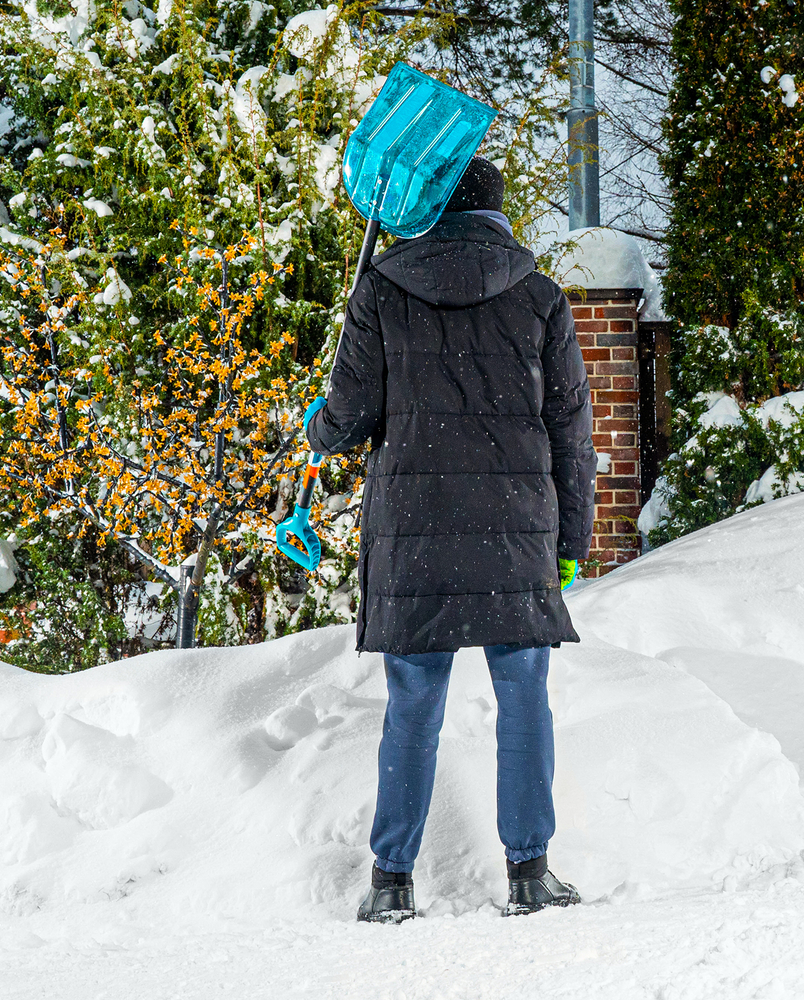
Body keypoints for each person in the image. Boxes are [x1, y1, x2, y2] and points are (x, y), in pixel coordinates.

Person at [305, 156, 596, 922]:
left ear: (430, 207)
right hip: (517, 528)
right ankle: (530, 875)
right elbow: (572, 429)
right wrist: (573, 539)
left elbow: (349, 418)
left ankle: (391, 882)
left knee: (413, 705)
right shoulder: (540, 298)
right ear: (501, 216)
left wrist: (320, 424)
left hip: (416, 532)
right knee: (524, 698)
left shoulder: (383, 289)